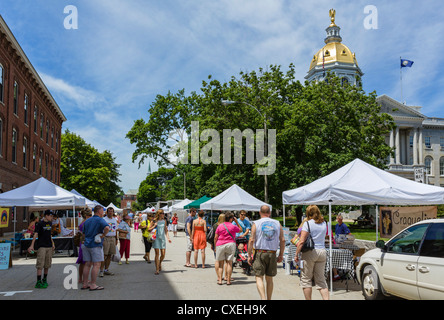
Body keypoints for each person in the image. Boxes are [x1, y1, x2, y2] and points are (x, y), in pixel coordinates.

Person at [248, 205, 285, 300]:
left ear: (260, 212)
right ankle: (269, 299)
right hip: (272, 253)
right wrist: (281, 254)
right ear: (269, 213)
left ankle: (263, 298)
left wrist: (249, 255)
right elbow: (283, 240)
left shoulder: (256, 223)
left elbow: (251, 240)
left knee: (259, 277)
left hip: (260, 252)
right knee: (269, 279)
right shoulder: (277, 223)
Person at [294, 205, 329, 300]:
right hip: (322, 251)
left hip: (310, 252)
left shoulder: (307, 224)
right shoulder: (324, 223)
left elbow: (301, 241)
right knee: (321, 280)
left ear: (308, 213)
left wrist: (296, 253)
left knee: (306, 279)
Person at [81, 205, 109, 291]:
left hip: (86, 244)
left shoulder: (87, 220)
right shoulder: (100, 220)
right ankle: (93, 284)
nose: (103, 212)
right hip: (95, 245)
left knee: (87, 264)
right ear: (99, 211)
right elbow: (107, 228)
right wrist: (103, 235)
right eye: (102, 211)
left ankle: (85, 283)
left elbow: (84, 233)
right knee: (96, 265)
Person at [28, 210, 55, 289]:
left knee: (47, 264)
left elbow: (49, 234)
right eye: (50, 216)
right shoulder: (39, 224)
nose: (52, 217)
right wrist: (32, 245)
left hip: (49, 246)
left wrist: (52, 243)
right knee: (40, 264)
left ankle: (45, 280)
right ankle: (38, 281)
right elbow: (35, 234)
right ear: (46, 215)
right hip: (42, 246)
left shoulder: (50, 223)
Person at [214, 211, 242, 285]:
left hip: (220, 244)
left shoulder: (220, 226)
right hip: (230, 244)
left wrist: (215, 245)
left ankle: (220, 280)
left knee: (220, 264)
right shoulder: (233, 226)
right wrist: (236, 222)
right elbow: (241, 230)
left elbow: (216, 237)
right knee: (229, 263)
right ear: (230, 219)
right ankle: (228, 281)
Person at [76, 207, 93, 286]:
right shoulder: (87, 222)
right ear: (87, 215)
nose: (91, 215)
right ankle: (84, 279)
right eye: (90, 214)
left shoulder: (82, 222)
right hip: (86, 242)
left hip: (82, 242)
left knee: (82, 262)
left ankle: (80, 278)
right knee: (86, 262)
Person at [152, 209, 172, 275]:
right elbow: (149, 229)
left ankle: (159, 263)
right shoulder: (154, 221)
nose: (163, 214)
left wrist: (168, 238)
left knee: (163, 254)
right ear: (159, 214)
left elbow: (166, 230)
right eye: (162, 213)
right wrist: (154, 226)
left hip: (162, 238)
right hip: (156, 238)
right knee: (157, 254)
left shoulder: (164, 221)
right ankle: (157, 269)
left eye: (163, 213)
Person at [100, 207, 118, 277]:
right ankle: (101, 270)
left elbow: (115, 230)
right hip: (106, 238)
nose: (110, 212)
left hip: (112, 238)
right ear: (106, 212)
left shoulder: (114, 220)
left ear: (113, 212)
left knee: (110, 255)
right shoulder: (104, 219)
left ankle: (106, 269)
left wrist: (116, 239)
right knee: (104, 255)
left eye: (112, 211)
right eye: (109, 211)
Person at [210, 213, 225, 281]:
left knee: (217, 260)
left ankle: (219, 276)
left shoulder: (215, 225)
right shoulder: (225, 225)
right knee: (223, 262)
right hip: (224, 243)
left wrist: (213, 244)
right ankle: (225, 276)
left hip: (216, 244)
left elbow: (213, 236)